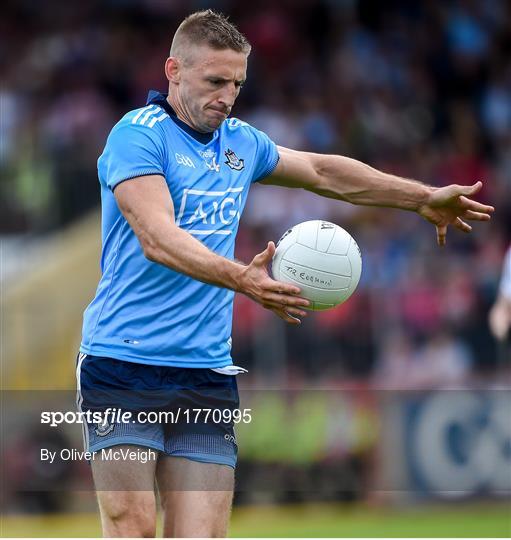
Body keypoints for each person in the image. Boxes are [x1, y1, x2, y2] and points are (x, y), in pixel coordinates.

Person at [77, 10, 494, 537]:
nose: (227, 96)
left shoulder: (241, 143)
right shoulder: (137, 138)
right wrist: (242, 279)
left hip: (205, 371)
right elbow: (157, 237)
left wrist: (420, 197)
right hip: (123, 362)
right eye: (214, 81)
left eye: (237, 83)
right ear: (173, 71)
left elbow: (322, 172)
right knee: (132, 528)